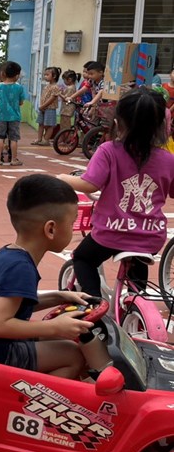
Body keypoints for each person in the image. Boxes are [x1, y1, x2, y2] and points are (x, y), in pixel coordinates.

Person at [0, 175, 109, 379]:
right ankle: (29, 399)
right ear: (51, 229)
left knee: (60, 341)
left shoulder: (10, 254)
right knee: (72, 356)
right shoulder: (21, 268)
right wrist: (54, 327)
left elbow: (15, 305)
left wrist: (60, 297)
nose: (73, 228)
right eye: (72, 223)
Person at [58, 87, 174, 298]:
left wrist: (62, 178)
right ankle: (136, 300)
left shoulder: (108, 151)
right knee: (138, 261)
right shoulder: (168, 159)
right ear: (160, 126)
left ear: (118, 123)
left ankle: (93, 302)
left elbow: (90, 184)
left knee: (83, 258)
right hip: (151, 236)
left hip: (111, 233)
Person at [0, 61, 26, 166]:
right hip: (15, 117)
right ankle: (14, 159)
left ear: (3, 74)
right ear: (17, 75)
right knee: (14, 139)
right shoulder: (19, 87)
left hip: (1, 116)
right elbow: (21, 102)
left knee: (0, 138)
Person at [33, 66, 61, 145]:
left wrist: (43, 106)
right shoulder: (47, 86)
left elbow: (52, 99)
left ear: (54, 76)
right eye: (44, 75)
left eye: (47, 75)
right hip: (43, 108)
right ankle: (39, 139)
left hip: (50, 109)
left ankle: (46, 140)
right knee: (41, 124)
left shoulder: (55, 87)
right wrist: (42, 106)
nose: (45, 76)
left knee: (49, 125)